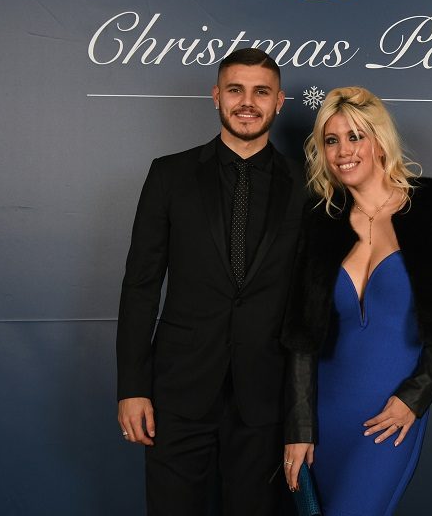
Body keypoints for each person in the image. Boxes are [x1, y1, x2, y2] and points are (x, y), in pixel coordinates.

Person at [282, 87, 432, 515]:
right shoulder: (319, 221)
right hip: (326, 417)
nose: (343, 151)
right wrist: (299, 428)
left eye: (356, 136)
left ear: (380, 141)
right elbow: (302, 341)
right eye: (331, 140)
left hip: (389, 415)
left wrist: (414, 398)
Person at [116, 48, 305, 516]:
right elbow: (140, 286)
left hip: (265, 397)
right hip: (177, 392)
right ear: (216, 96)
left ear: (279, 101)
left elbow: (311, 304)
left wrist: (301, 417)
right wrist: (132, 387)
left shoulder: (306, 185)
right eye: (236, 90)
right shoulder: (169, 174)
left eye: (261, 92)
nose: (248, 102)